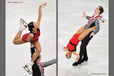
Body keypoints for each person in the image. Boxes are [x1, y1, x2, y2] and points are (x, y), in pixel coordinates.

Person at [13, 3, 47, 73]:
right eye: (35, 24)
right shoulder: (31, 35)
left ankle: (30, 63)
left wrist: (39, 7)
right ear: (33, 28)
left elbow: (40, 17)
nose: (37, 23)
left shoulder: (37, 27)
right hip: (28, 38)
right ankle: (21, 29)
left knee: (39, 50)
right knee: (15, 42)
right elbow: (29, 40)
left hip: (35, 39)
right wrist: (31, 44)